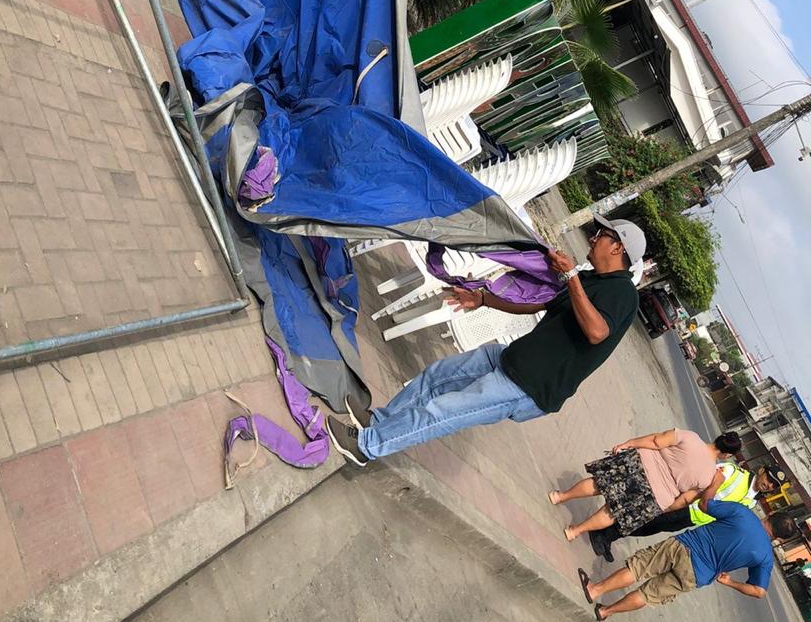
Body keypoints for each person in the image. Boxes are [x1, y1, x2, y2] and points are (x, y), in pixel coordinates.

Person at [325, 215, 645, 466]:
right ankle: (379, 421)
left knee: (441, 411)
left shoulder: (623, 293)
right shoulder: (590, 278)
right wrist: (483, 299)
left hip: (528, 387)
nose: (593, 238)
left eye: (601, 235)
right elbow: (541, 304)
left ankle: (367, 446)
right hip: (510, 358)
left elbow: (596, 331)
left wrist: (571, 277)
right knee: (434, 378)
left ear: (617, 247)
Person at [581, 486, 773, 622]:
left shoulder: (744, 513)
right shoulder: (766, 557)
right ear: (778, 538)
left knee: (639, 568)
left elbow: (705, 505)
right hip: (697, 575)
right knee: (648, 595)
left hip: (685, 546)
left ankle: (595, 590)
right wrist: (730, 582)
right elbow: (759, 592)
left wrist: (715, 484)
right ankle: (606, 611)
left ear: (770, 516)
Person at [549, 428, 742, 544]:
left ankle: (560, 496)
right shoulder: (709, 476)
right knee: (614, 513)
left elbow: (656, 441)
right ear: (727, 455)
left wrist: (629, 443)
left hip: (640, 464)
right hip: (658, 495)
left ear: (719, 438)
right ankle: (575, 531)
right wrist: (664, 508)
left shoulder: (691, 437)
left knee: (600, 484)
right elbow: (684, 500)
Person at [589, 464, 784, 562]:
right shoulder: (735, 472)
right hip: (687, 505)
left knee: (649, 528)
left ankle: (609, 535)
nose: (768, 484)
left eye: (773, 485)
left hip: (694, 519)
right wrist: (681, 498)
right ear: (761, 471)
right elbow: (704, 478)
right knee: (644, 518)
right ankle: (602, 532)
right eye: (769, 478)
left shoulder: (752, 501)